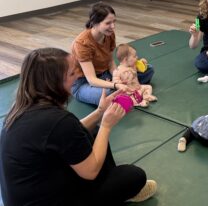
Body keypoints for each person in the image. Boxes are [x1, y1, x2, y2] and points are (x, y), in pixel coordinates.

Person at [0, 48, 157, 206]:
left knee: (92, 131)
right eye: (72, 74)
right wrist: (106, 125)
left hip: (33, 190)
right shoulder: (57, 121)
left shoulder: (21, 109)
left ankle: (108, 181)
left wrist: (100, 112)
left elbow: (68, 134)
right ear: (53, 83)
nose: (79, 75)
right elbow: (91, 171)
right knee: (134, 176)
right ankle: (111, 189)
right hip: (50, 198)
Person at [71, 2, 154, 106]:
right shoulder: (82, 43)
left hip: (106, 75)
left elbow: (110, 61)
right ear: (95, 23)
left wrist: (120, 76)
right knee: (109, 94)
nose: (113, 26)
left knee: (148, 69)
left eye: (114, 22)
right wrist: (115, 85)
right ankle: (130, 90)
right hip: (84, 83)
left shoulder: (109, 35)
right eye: (108, 23)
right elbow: (91, 79)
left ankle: (128, 90)